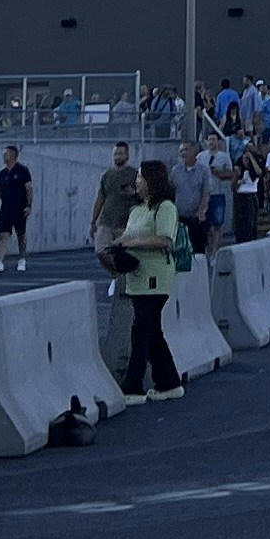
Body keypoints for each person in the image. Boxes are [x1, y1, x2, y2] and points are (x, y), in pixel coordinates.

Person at [113, 159, 188, 397]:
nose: (137, 182)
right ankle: (169, 383)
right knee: (152, 332)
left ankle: (132, 388)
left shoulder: (165, 207)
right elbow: (127, 235)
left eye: (140, 177)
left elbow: (165, 239)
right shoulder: (137, 210)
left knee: (141, 331)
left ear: (151, 180)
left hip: (155, 278)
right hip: (137, 276)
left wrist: (131, 243)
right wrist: (115, 246)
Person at [0, 148, 32, 272]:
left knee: (21, 234)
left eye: (6, 154)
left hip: (19, 208)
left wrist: (28, 205)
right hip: (5, 209)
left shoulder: (22, 171)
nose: (4, 156)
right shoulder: (2, 173)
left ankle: (22, 259)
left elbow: (29, 189)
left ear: (13, 156)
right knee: (3, 234)